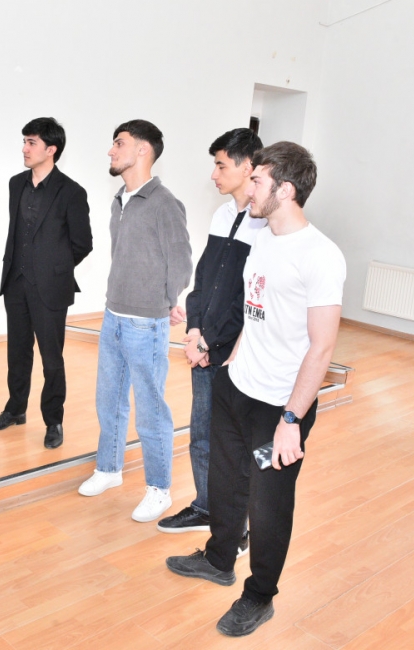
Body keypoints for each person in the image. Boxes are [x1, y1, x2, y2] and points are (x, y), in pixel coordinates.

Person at [165, 142, 346, 637]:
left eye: (259, 181)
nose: (250, 188)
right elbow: (255, 312)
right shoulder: (263, 238)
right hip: (237, 386)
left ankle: (260, 595)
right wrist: (231, 364)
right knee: (226, 481)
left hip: (279, 409)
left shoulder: (321, 256)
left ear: (285, 190)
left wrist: (291, 420)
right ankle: (218, 558)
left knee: (268, 505)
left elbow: (322, 348)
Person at [78, 120, 193, 523]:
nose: (111, 151)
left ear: (143, 150)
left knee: (150, 408)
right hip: (113, 315)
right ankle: (109, 468)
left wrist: (166, 301)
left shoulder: (164, 203)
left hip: (145, 322)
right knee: (108, 398)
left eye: (119, 143)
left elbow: (181, 262)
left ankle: (159, 489)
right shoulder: (119, 201)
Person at [158, 129, 264, 554]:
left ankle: (235, 529)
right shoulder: (223, 216)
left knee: (231, 446)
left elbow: (246, 300)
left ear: (248, 167)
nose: (214, 174)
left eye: (221, 165)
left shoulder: (265, 225)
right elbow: (204, 280)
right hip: (206, 345)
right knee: (201, 435)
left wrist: (210, 344)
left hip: (233, 353)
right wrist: (195, 330)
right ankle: (206, 507)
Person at [0, 118, 92, 448]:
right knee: (17, 353)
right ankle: (15, 409)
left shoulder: (71, 192)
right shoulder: (16, 184)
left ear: (51, 149)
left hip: (50, 287)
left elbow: (83, 243)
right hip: (15, 282)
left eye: (31, 142)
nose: (24, 148)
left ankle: (53, 420)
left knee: (51, 359)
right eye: (24, 141)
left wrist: (53, 269)